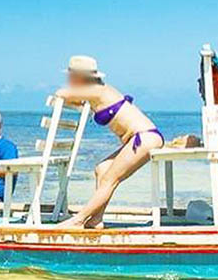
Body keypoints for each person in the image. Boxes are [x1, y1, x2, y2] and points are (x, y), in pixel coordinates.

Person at [55, 55, 164, 229]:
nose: (68, 79)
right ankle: (96, 218)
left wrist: (69, 92)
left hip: (144, 138)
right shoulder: (97, 91)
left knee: (110, 180)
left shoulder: (96, 90)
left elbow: (62, 94)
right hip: (140, 139)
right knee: (102, 169)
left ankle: (79, 220)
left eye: (70, 76)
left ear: (79, 77)